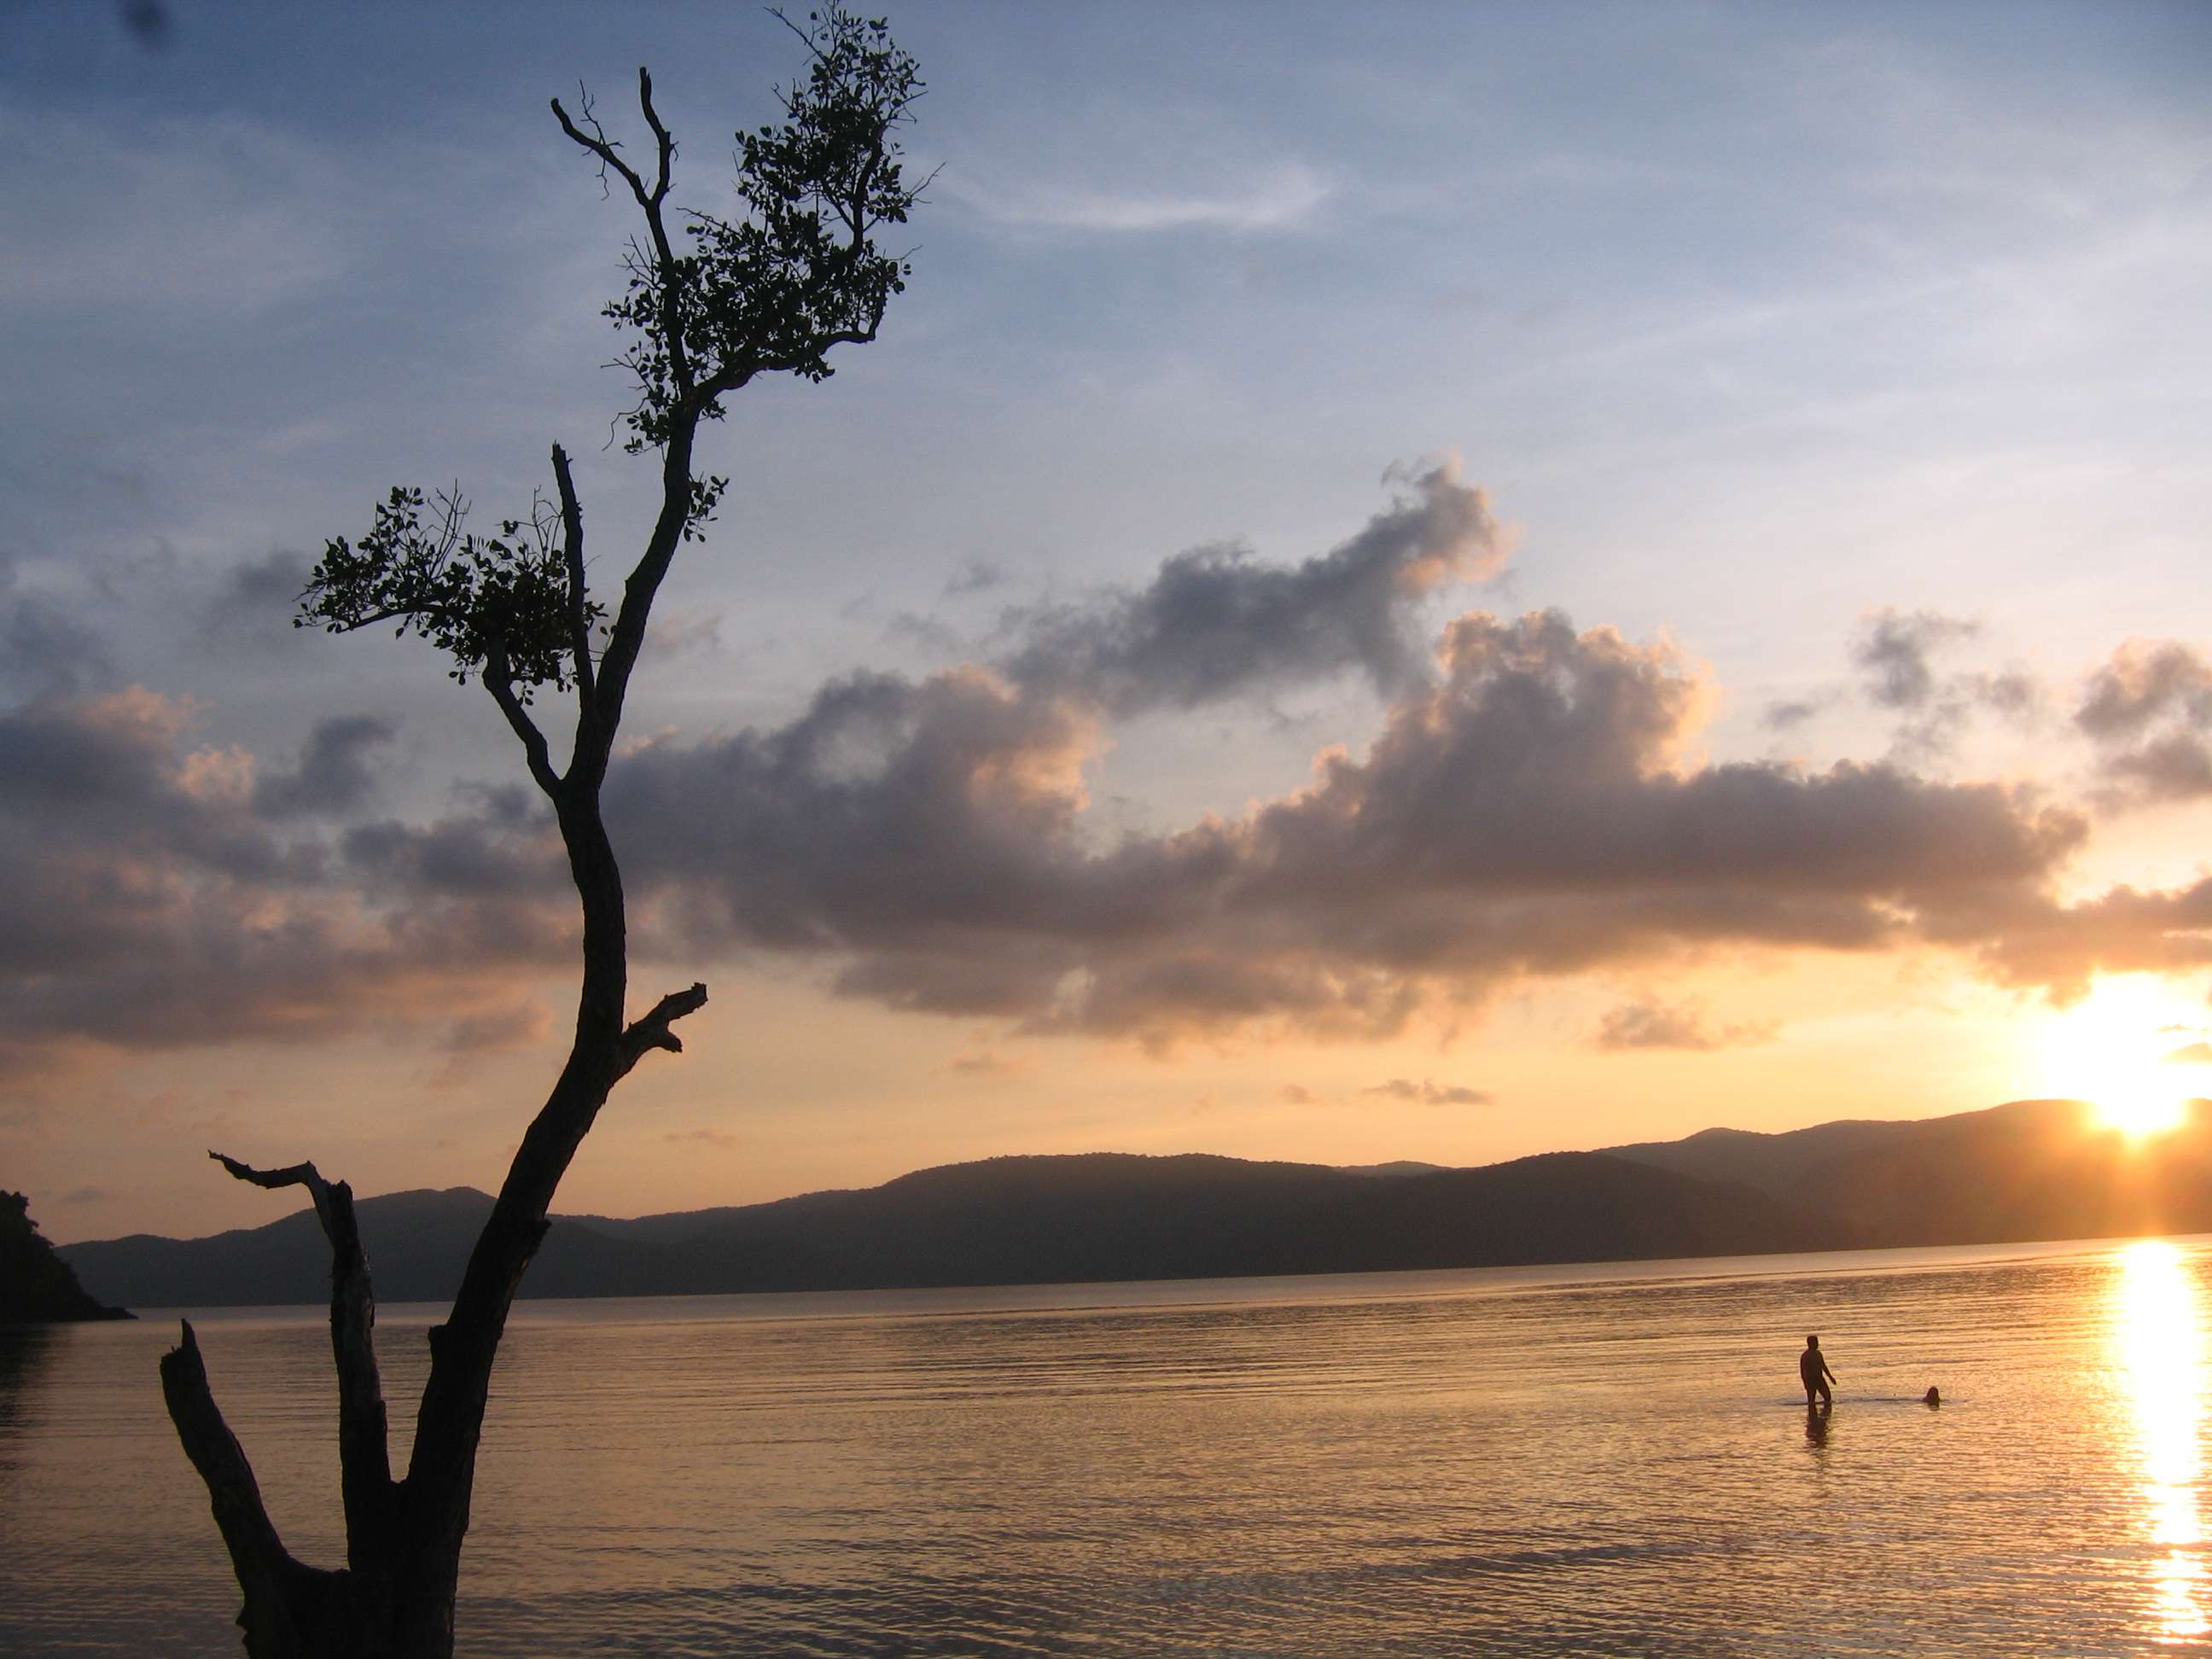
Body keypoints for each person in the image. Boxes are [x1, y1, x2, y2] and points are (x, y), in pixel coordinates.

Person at [1800, 1334, 1837, 1408]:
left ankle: (1825, 1412)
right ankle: (1812, 1413)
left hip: (1819, 1378)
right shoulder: (1806, 1355)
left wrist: (1830, 1377)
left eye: (1817, 1342)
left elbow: (1823, 1366)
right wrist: (1805, 1382)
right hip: (1810, 1379)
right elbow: (1802, 1370)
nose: (1817, 1344)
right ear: (1809, 1344)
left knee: (1827, 1397)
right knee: (1811, 1401)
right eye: (1815, 1342)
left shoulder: (1818, 1354)